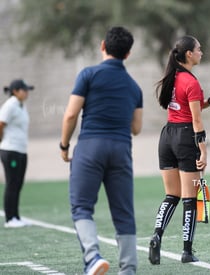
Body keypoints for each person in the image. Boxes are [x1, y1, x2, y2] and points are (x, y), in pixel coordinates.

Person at [60, 26, 143, 275]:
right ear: (128, 54)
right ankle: (128, 269)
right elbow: (136, 128)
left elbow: (71, 114)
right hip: (120, 149)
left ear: (102, 46)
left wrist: (64, 146)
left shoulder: (88, 74)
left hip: (90, 146)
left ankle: (93, 256)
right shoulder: (134, 87)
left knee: (82, 206)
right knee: (123, 212)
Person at [148, 35, 210, 265]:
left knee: (172, 195)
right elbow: (196, 122)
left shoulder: (174, 77)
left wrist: (209, 100)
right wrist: (203, 151)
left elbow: (187, 107)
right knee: (190, 198)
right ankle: (187, 252)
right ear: (189, 54)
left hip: (167, 136)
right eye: (199, 49)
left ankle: (156, 235)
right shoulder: (191, 82)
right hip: (185, 137)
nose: (202, 52)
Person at [0, 79, 34, 228]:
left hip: (21, 150)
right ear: (15, 91)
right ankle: (9, 219)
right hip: (10, 150)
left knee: (18, 183)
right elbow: (1, 124)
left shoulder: (21, 106)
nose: (27, 93)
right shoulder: (10, 105)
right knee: (12, 183)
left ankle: (16, 216)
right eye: (24, 90)